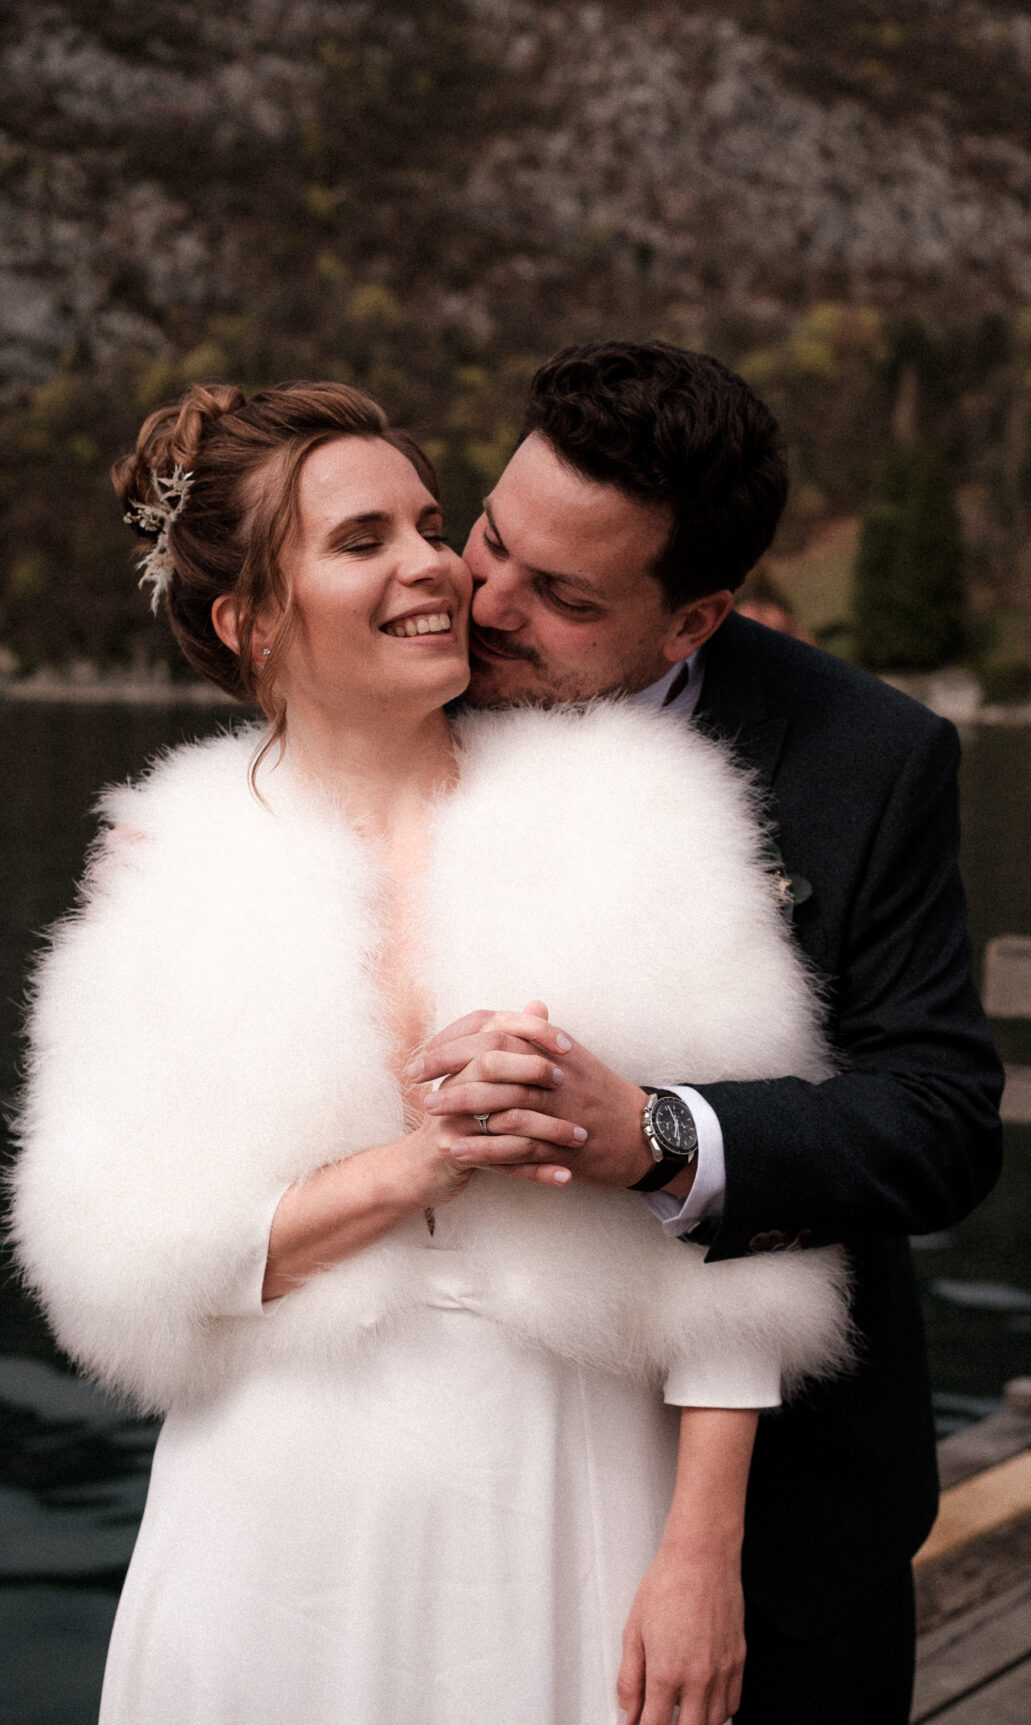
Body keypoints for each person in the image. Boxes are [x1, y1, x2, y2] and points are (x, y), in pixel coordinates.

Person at [11, 380, 854, 1725]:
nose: (432, 565)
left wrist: (701, 1555)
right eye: (361, 541)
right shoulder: (170, 867)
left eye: (427, 520)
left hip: (569, 1493)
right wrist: (425, 1162)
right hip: (268, 1517)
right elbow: (113, 1271)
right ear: (252, 621)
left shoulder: (640, 819)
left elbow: (752, 1257)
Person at [407, 341, 1005, 1723]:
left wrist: (661, 1133)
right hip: (466, 1468)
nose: (483, 602)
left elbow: (939, 1118)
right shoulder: (407, 675)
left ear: (694, 621)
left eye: (560, 597)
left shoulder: (866, 756)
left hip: (776, 1512)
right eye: (490, 537)